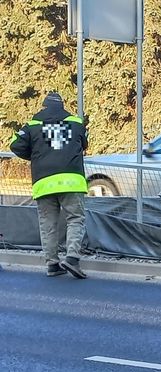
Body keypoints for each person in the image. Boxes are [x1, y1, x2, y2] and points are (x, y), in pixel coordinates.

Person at [9, 92, 88, 279]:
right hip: (71, 180)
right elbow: (84, 143)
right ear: (62, 106)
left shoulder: (33, 125)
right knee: (75, 219)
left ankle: (52, 264)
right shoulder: (76, 123)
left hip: (44, 182)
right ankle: (72, 258)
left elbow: (15, 145)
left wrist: (36, 155)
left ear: (43, 106)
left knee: (48, 224)